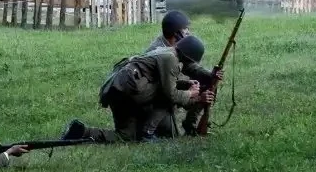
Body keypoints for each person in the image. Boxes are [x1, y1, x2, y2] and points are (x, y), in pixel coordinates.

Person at [59, 36, 215, 144]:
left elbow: (161, 81)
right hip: (128, 92)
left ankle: (81, 131)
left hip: (119, 91)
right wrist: (193, 94)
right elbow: (170, 94)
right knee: (166, 97)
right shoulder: (170, 59)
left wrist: (185, 85)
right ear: (188, 57)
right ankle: (147, 134)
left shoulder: (166, 52)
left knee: (125, 136)